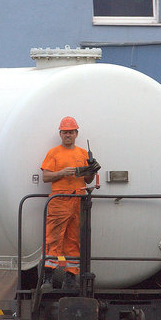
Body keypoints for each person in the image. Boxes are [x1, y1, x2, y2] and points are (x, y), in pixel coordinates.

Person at [40, 116, 98, 289]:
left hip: (78, 199)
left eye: (71, 132)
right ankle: (48, 277)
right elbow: (46, 176)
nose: (68, 135)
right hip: (59, 199)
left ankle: (71, 277)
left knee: (74, 239)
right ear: (60, 134)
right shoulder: (54, 153)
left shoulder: (82, 153)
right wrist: (63, 172)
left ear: (76, 133)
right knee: (53, 238)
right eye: (65, 132)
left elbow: (88, 180)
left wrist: (92, 170)